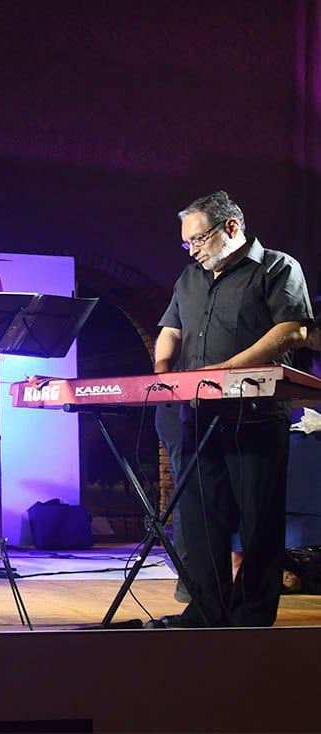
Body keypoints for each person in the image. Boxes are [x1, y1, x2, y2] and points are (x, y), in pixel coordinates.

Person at [150, 190, 312, 628]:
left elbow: (293, 329)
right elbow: (170, 329)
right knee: (202, 521)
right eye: (187, 244)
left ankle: (250, 619)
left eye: (198, 240)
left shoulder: (277, 268)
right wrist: (164, 373)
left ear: (232, 228)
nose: (193, 250)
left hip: (257, 413)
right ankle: (206, 611)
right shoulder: (188, 278)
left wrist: (225, 370)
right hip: (199, 415)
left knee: (259, 523)